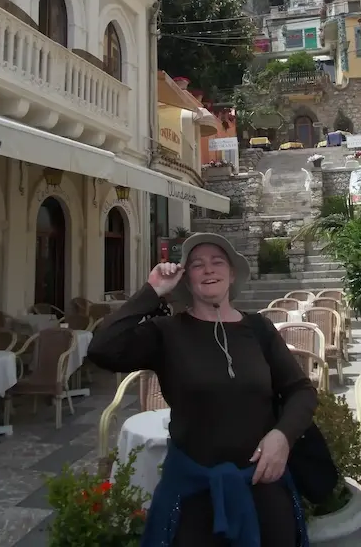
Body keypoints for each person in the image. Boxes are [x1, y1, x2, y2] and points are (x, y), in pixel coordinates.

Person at [88, 233, 317, 546]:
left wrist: (282, 436)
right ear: (186, 278)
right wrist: (152, 290)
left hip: (262, 484)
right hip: (193, 491)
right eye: (197, 265)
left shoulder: (259, 329)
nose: (208, 270)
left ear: (231, 273)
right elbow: (102, 348)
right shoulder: (166, 332)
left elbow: (301, 390)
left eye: (217, 262)